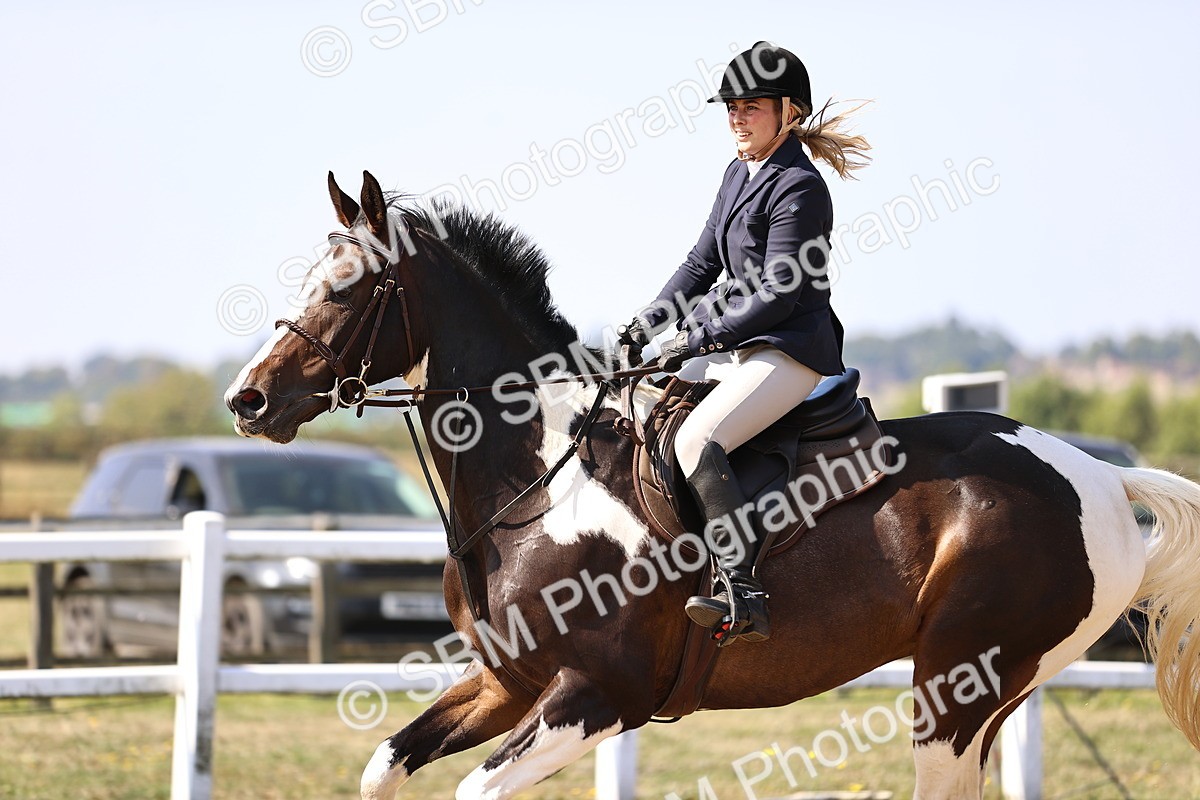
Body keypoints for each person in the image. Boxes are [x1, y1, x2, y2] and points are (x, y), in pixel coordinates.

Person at [618, 41, 871, 645]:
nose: (735, 117)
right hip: (742, 349)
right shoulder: (739, 173)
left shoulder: (800, 187)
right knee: (643, 411)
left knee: (699, 439)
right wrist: (645, 325)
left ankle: (741, 589)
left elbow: (780, 293)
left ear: (789, 112)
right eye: (730, 106)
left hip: (790, 352)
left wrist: (691, 339)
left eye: (749, 106)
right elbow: (702, 261)